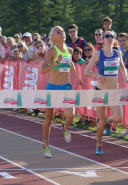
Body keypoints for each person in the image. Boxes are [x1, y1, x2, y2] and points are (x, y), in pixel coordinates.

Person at [85, 30, 128, 155]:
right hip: (101, 92)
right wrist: (97, 75)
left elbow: (122, 67)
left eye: (112, 36)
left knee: (119, 118)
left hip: (114, 91)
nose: (109, 38)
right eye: (107, 36)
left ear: (114, 39)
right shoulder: (98, 54)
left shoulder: (118, 53)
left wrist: (126, 78)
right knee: (101, 121)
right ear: (103, 39)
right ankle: (99, 144)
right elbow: (86, 71)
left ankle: (107, 121)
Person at [40, 26, 83, 158]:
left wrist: (77, 77)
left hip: (66, 87)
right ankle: (46, 145)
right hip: (52, 87)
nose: (62, 33)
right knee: (49, 119)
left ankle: (65, 128)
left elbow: (70, 64)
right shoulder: (51, 51)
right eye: (59, 32)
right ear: (53, 37)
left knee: (71, 115)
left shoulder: (69, 50)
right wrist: (55, 63)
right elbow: (43, 70)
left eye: (63, 31)